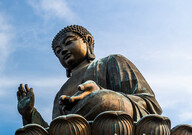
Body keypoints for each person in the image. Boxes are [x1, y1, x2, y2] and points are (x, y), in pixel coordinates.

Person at [17, 25, 162, 127]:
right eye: (58, 51)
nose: (64, 51)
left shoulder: (112, 61)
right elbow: (55, 129)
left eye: (68, 42)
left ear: (88, 41)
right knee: (59, 128)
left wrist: (100, 93)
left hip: (118, 126)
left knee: (101, 99)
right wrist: (29, 113)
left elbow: (149, 104)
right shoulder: (60, 93)